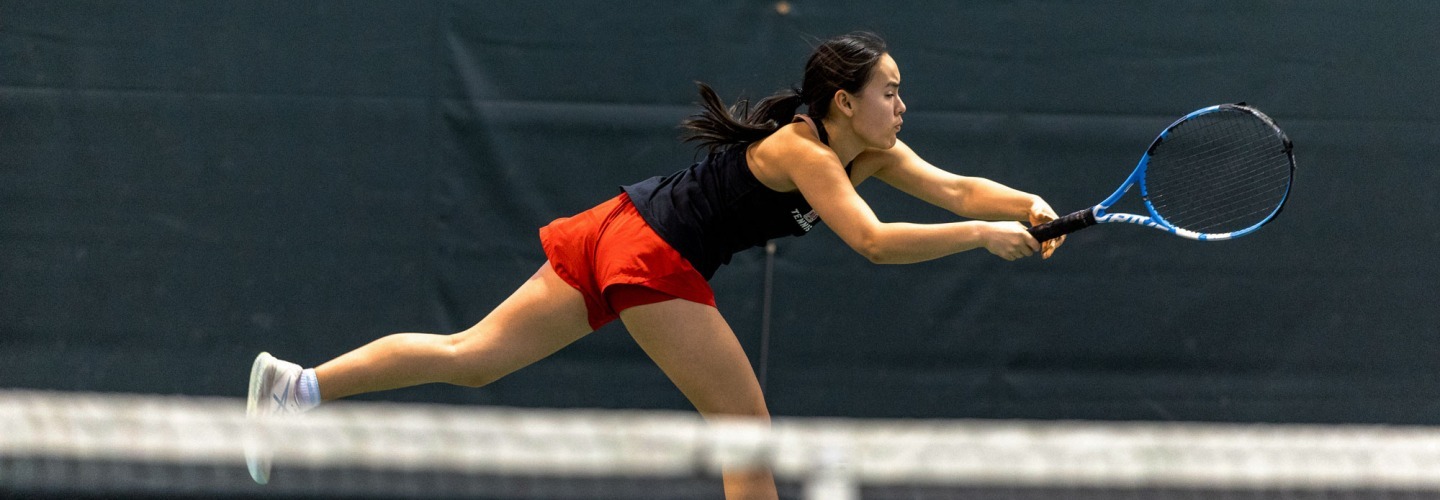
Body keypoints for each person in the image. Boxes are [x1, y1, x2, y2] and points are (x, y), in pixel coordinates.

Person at [245, 31, 1064, 499]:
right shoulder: (809, 153)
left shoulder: (870, 153)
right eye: (890, 91)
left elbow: (955, 187)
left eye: (902, 92)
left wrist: (1021, 202)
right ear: (844, 102)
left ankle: (297, 385)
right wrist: (980, 239)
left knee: (473, 359)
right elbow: (876, 242)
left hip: (620, 225)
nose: (901, 105)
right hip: (654, 252)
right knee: (748, 437)